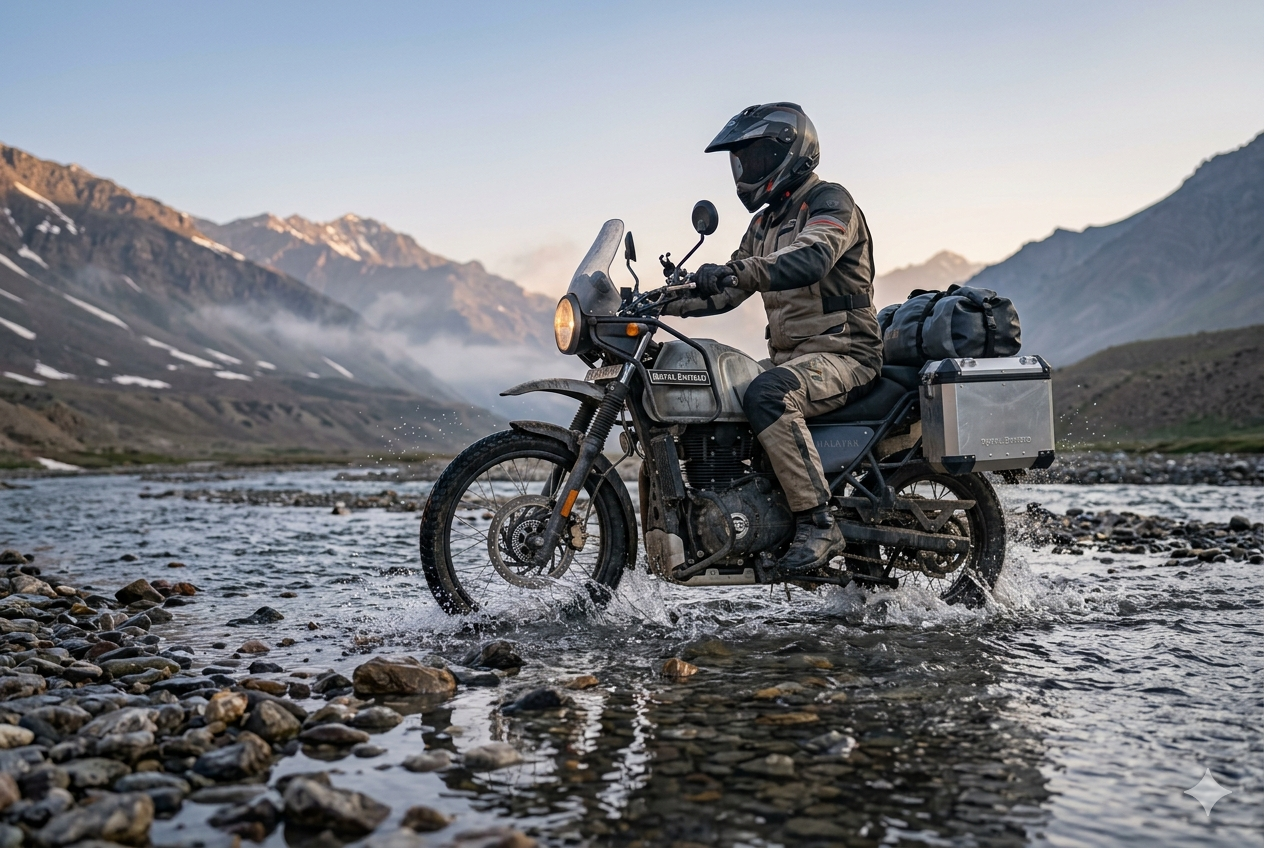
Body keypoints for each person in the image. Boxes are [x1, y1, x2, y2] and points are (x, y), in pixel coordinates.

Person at [663, 102, 882, 574]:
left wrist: (736, 270)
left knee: (768, 393)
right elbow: (727, 291)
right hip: (793, 356)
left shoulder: (829, 202)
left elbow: (812, 257)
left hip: (845, 353)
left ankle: (819, 523)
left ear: (790, 151)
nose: (746, 169)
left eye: (756, 157)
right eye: (742, 160)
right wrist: (663, 299)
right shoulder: (762, 224)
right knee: (717, 397)